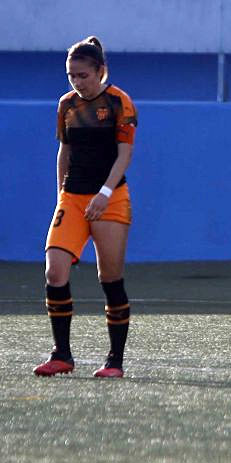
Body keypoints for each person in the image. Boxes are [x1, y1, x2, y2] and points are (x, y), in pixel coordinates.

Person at [35, 36, 138, 378]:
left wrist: (105, 193)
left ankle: (114, 361)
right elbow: (63, 151)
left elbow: (124, 154)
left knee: (109, 278)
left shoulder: (120, 102)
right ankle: (62, 354)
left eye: (83, 75)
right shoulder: (66, 105)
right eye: (71, 76)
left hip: (109, 199)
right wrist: (60, 195)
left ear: (100, 71)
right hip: (73, 198)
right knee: (54, 270)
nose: (77, 82)